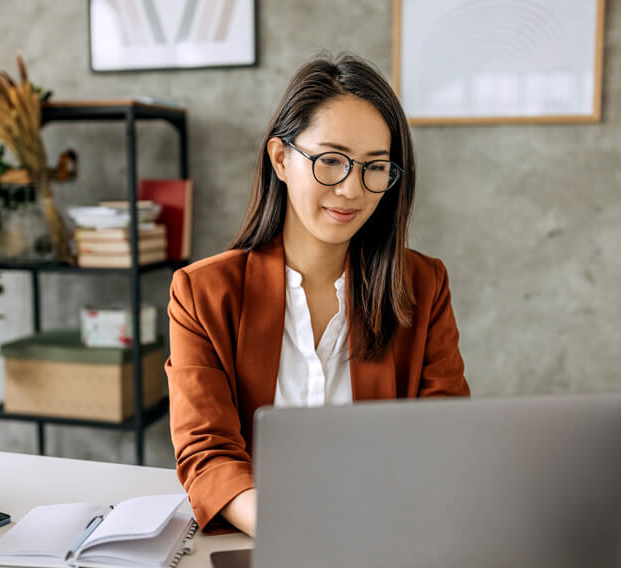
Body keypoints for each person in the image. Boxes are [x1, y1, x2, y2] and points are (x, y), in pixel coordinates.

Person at [166, 54, 470, 536]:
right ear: (281, 159)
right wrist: (293, 533)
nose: (351, 189)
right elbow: (208, 454)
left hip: (388, 539)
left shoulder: (423, 286)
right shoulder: (203, 293)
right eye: (330, 160)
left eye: (375, 167)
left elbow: (445, 440)